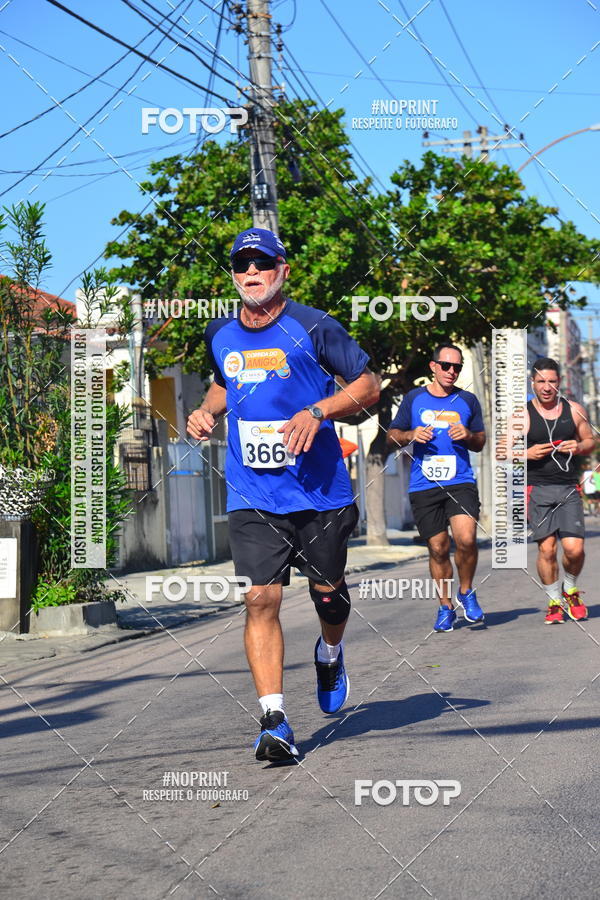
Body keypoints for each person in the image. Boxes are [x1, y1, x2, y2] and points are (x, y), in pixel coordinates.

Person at [187, 227, 380, 762]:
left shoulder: (314, 326)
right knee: (259, 598)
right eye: (242, 265)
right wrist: (208, 411)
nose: (252, 273)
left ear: (282, 270)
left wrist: (317, 412)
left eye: (262, 264)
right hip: (252, 494)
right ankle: (274, 719)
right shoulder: (220, 332)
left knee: (330, 596)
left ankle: (331, 652)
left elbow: (368, 385)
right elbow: (226, 380)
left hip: (319, 492)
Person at [386, 343, 486, 633]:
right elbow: (391, 437)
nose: (452, 371)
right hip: (424, 484)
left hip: (460, 480)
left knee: (466, 539)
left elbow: (480, 442)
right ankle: (445, 606)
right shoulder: (414, 399)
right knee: (439, 548)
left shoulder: (467, 401)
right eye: (446, 366)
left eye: (457, 367)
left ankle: (465, 591)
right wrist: (410, 434)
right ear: (433, 366)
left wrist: (468, 435)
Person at [526, 358, 595, 624]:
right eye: (541, 381)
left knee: (574, 549)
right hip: (537, 488)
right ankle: (555, 601)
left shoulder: (574, 409)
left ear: (559, 383)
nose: (546, 387)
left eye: (551, 382)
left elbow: (589, 439)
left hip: (568, 488)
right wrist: (526, 452)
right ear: (533, 382)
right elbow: (502, 450)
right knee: (546, 550)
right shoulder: (522, 415)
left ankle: (571, 589)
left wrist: (578, 447)